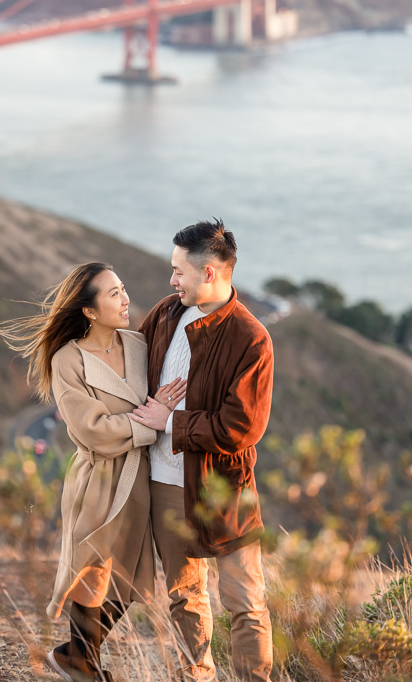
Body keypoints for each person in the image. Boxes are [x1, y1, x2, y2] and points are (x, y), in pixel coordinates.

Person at [0, 262, 186, 682]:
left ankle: (73, 656)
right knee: (91, 570)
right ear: (90, 312)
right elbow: (91, 430)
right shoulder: (68, 359)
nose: (125, 298)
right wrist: (149, 423)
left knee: (131, 582)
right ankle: (81, 663)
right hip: (98, 478)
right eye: (113, 293)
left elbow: (161, 397)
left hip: (139, 477)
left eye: (123, 288)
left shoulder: (138, 344)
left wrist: (164, 416)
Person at [131, 220, 274, 682]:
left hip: (223, 490)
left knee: (245, 604)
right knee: (184, 597)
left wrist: (168, 421)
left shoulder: (251, 338)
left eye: (178, 271)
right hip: (163, 484)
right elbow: (132, 374)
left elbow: (242, 427)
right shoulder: (167, 314)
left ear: (209, 272)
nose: (172, 281)